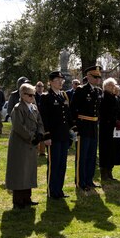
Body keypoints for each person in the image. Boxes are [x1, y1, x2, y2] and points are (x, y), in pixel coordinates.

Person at [5, 83, 48, 209]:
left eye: (33, 95)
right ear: (22, 95)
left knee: (29, 170)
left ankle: (27, 198)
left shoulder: (34, 107)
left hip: (31, 144)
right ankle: (18, 200)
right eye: (29, 95)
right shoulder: (18, 108)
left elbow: (40, 122)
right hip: (20, 143)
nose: (32, 97)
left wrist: (40, 134)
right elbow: (19, 127)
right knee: (19, 171)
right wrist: (32, 137)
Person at [70, 65, 103, 191]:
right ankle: (80, 181)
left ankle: (89, 180)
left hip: (94, 126)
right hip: (83, 126)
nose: (97, 79)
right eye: (95, 77)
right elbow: (73, 110)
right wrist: (75, 126)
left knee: (92, 155)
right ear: (88, 77)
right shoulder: (81, 90)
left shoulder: (98, 91)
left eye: (99, 77)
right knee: (82, 155)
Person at [39, 71, 71, 199]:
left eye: (61, 80)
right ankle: (52, 191)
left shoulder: (63, 96)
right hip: (53, 137)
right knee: (54, 164)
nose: (60, 82)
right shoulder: (46, 97)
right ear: (51, 82)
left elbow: (67, 117)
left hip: (63, 136)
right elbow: (44, 118)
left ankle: (59, 190)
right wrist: (46, 136)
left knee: (62, 164)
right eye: (57, 80)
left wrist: (71, 131)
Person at [99, 78, 120, 181]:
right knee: (105, 150)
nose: (112, 87)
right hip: (106, 128)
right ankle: (104, 173)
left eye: (113, 85)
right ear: (105, 87)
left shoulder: (116, 97)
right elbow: (104, 113)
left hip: (115, 128)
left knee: (113, 149)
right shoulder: (103, 97)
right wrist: (114, 121)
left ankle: (110, 171)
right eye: (110, 85)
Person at [34, 81, 47, 156]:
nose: (39, 88)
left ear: (43, 88)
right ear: (36, 87)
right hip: (35, 117)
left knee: (43, 133)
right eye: (38, 86)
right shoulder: (33, 96)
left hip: (43, 117)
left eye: (41, 86)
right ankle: (36, 150)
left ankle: (42, 151)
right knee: (36, 133)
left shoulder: (45, 96)